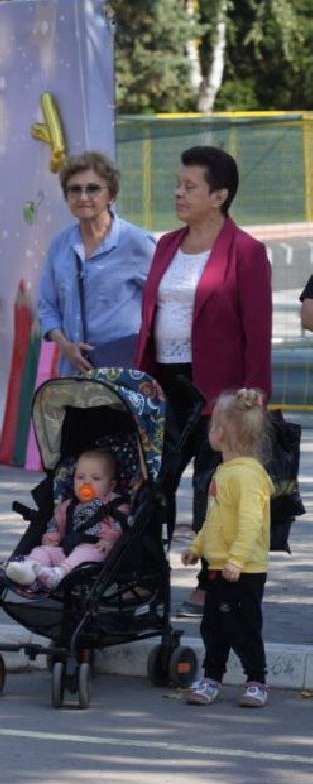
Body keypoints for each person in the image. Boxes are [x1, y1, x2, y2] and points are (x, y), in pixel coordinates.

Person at [134, 145, 271, 618]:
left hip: (221, 390)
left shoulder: (247, 251)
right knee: (153, 483)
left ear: (219, 195)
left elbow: (258, 331)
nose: (178, 192)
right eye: (178, 184)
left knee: (214, 489)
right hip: (163, 384)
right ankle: (145, 578)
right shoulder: (167, 245)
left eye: (189, 186)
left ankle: (210, 584)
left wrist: (255, 395)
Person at [181, 388, 272, 708]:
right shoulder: (225, 471)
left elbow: (251, 522)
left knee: (244, 627)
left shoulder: (247, 476)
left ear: (223, 432)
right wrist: (197, 547)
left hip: (243, 569)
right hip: (218, 565)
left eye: (212, 424)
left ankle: (256, 680)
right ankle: (212, 677)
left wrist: (237, 560)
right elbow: (215, 518)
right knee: (214, 628)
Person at [35, 151, 155, 375]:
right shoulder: (59, 244)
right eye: (74, 189)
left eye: (92, 189)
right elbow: (47, 307)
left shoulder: (137, 242)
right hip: (74, 372)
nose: (83, 197)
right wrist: (65, 346)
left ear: (111, 195)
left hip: (125, 370)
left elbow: (163, 303)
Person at [1, 449, 127, 593]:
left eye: (96, 478)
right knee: (43, 551)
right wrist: (52, 536)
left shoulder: (115, 504)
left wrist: (109, 539)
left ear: (111, 485)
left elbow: (120, 525)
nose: (86, 482)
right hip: (66, 550)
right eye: (80, 477)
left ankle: (58, 574)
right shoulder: (67, 505)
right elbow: (55, 523)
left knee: (85, 553)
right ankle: (29, 569)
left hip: (96, 549)